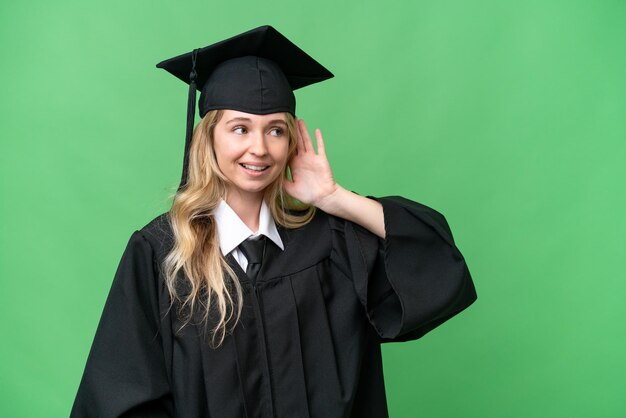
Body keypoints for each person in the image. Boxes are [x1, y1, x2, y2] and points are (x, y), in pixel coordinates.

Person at [71, 25, 477, 418]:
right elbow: (119, 400)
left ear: (291, 142)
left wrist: (335, 198)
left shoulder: (330, 244)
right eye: (240, 128)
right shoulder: (162, 253)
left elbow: (439, 268)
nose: (259, 149)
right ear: (207, 138)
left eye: (276, 130)